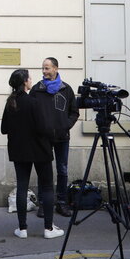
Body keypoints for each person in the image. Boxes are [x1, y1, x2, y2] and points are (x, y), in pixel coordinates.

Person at [1, 69, 63, 239]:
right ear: (25, 83)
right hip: (40, 150)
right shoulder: (34, 102)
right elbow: (44, 128)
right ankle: (49, 229)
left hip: (19, 150)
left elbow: (3, 129)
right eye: (29, 78)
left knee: (22, 186)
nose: (31, 80)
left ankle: (22, 229)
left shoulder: (10, 103)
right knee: (48, 187)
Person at [29, 57, 79, 218]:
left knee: (62, 170)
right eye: (43, 68)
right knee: (44, 171)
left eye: (47, 68)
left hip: (62, 137)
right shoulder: (37, 89)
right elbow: (31, 113)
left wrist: (66, 125)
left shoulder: (66, 89)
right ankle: (44, 204)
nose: (44, 71)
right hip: (42, 138)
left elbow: (74, 112)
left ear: (56, 69)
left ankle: (62, 204)